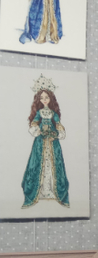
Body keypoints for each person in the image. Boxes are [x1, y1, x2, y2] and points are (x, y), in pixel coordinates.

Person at [22, 76, 69, 208]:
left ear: (50, 98)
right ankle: (40, 192)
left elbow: (59, 126)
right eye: (42, 98)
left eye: (46, 97)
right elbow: (34, 123)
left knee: (53, 164)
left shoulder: (54, 113)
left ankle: (53, 191)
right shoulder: (39, 112)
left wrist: (57, 134)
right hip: (40, 143)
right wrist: (38, 130)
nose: (44, 100)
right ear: (39, 100)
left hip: (53, 143)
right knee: (39, 164)